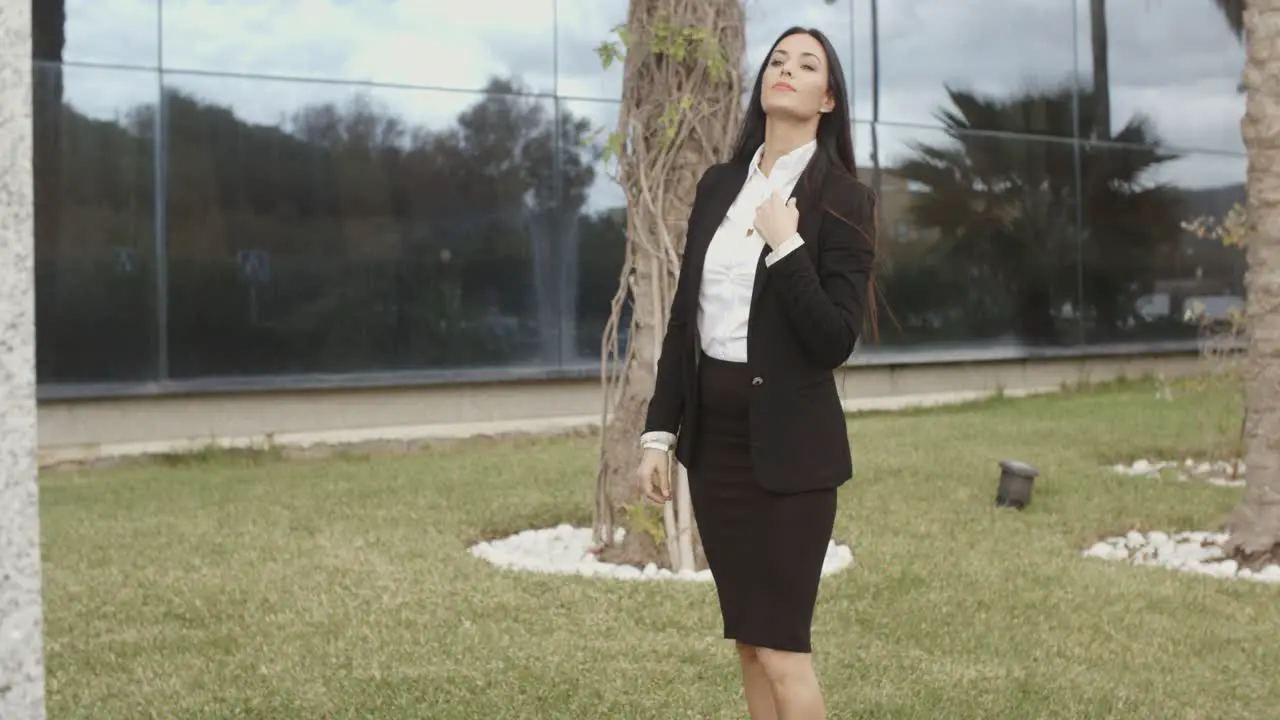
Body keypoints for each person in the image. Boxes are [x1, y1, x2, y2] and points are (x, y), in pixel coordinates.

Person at [634, 25, 876, 720]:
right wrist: (659, 434)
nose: (786, 70)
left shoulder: (844, 201)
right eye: (777, 60)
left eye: (807, 65)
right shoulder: (717, 188)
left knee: (782, 649)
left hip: (794, 456)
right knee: (748, 643)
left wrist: (787, 244)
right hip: (717, 449)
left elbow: (833, 339)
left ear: (827, 98)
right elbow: (687, 321)